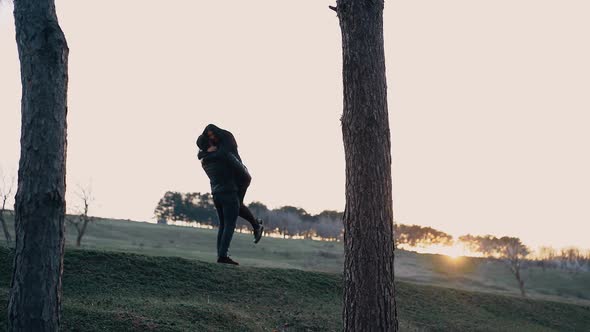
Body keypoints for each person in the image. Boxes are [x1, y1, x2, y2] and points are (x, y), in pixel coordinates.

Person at [196, 126, 264, 265]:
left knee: (223, 225)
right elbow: (242, 172)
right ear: (210, 145)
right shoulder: (224, 156)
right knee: (229, 225)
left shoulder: (204, 161)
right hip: (229, 193)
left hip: (216, 195)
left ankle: (221, 255)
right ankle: (223, 256)